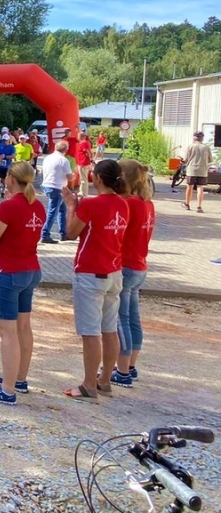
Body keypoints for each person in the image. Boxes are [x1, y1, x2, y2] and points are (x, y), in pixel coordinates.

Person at [0, 161, 46, 405]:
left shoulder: (9, 206)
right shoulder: (37, 205)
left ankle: (7, 390)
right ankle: (19, 378)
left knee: (8, 333)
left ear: (11, 180)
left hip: (8, 271)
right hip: (30, 268)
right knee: (24, 327)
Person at [61, 159, 128, 401]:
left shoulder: (91, 204)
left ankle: (89, 384)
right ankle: (104, 380)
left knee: (91, 333)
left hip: (90, 272)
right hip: (114, 271)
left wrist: (71, 206)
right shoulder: (123, 204)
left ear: (97, 178)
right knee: (109, 329)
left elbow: (71, 232)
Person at [111, 159, 155, 388]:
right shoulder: (147, 203)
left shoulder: (129, 204)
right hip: (139, 265)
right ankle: (131, 365)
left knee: (122, 319)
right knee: (133, 318)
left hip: (125, 264)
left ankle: (122, 369)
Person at [40, 139, 75, 244]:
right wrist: (74, 175)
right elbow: (69, 177)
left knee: (61, 210)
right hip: (57, 187)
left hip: (47, 184)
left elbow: (42, 172)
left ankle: (63, 233)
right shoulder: (64, 160)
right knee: (53, 211)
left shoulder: (48, 158)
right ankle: (45, 234)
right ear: (66, 150)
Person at [182, 131, 213, 213]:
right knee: (200, 188)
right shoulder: (206, 147)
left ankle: (187, 204)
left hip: (191, 170)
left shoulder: (190, 146)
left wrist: (183, 161)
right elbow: (210, 160)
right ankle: (199, 206)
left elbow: (185, 160)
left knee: (190, 186)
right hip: (203, 170)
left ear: (194, 137)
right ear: (202, 138)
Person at [74, 131, 94, 197]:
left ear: (80, 137)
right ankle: (81, 191)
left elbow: (87, 151)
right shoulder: (87, 142)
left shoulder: (83, 143)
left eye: (78, 136)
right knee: (82, 178)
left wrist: (90, 158)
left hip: (83, 162)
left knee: (83, 179)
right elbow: (90, 151)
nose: (77, 137)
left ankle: (84, 193)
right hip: (84, 162)